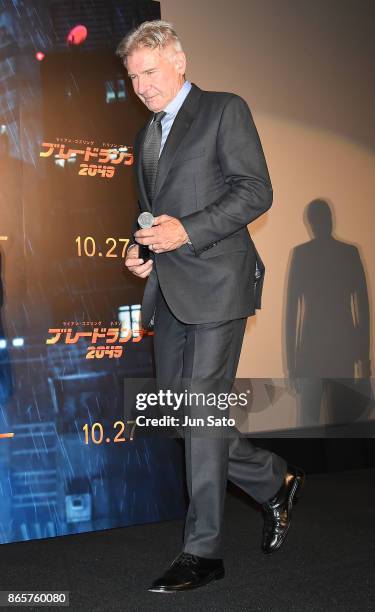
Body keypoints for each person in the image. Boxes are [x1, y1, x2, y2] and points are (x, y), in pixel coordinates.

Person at [118, 20, 305, 593]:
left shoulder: (224, 109)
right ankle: (274, 481)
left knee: (199, 414)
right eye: (133, 78)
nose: (142, 86)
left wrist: (187, 233)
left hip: (219, 284)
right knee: (181, 417)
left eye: (150, 72)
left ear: (178, 62)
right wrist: (140, 245)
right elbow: (153, 214)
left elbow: (255, 190)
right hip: (170, 291)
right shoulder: (146, 136)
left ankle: (203, 552)